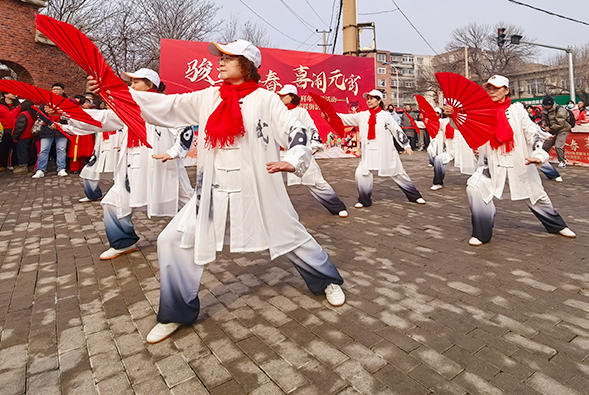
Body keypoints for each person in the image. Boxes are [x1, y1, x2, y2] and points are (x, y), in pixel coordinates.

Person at [97, 40, 345, 344]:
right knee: (173, 240)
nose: (219, 61)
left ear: (247, 64)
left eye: (228, 57)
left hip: (257, 185)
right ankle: (176, 311)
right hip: (213, 189)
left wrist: (292, 160)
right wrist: (118, 93)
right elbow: (168, 106)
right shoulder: (209, 96)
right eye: (220, 57)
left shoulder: (267, 100)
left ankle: (328, 281)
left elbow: (296, 132)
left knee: (290, 235)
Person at [67, 69, 195, 261]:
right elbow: (102, 119)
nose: (131, 86)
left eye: (135, 82)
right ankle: (123, 242)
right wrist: (67, 114)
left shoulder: (165, 105)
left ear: (150, 85)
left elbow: (185, 129)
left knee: (188, 203)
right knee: (112, 204)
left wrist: (173, 152)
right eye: (130, 82)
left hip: (161, 164)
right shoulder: (128, 108)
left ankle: (202, 234)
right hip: (132, 166)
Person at [458, 75, 575, 245]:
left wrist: (539, 155)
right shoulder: (481, 111)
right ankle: (482, 232)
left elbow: (532, 134)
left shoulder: (517, 110)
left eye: (496, 88)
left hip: (519, 162)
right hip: (492, 164)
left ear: (506, 90)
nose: (492, 91)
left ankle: (556, 225)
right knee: (474, 188)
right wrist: (453, 115)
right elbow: (465, 124)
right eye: (489, 88)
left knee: (537, 196)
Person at [337, 89, 425, 208]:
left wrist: (406, 145)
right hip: (368, 150)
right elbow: (345, 118)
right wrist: (329, 115)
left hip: (385, 150)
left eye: (372, 98)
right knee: (361, 174)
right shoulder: (362, 115)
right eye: (367, 98)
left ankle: (415, 196)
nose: (369, 101)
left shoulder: (386, 115)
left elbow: (396, 129)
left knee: (398, 173)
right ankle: (364, 200)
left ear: (379, 101)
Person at [276, 84, 349, 217]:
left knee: (316, 181)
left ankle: (337, 207)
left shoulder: (301, 112)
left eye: (283, 95)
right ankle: (273, 212)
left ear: (292, 97)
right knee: (272, 182)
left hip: (298, 151)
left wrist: (314, 146)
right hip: (280, 153)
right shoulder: (276, 112)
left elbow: (311, 128)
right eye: (279, 95)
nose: (280, 97)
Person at [428, 106, 476, 190]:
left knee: (477, 166)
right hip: (450, 151)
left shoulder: (467, 121)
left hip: (465, 151)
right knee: (438, 159)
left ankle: (478, 182)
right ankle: (438, 182)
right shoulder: (444, 122)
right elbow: (433, 122)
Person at [33, 82, 70, 179]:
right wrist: (50, 123)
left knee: (61, 149)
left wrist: (59, 123)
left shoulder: (67, 101)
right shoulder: (45, 100)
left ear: (63, 91)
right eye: (54, 89)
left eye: (58, 89)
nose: (56, 91)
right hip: (47, 128)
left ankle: (61, 168)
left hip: (61, 128)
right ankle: (40, 169)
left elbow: (69, 114)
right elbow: (41, 113)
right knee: (44, 149)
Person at [541, 95, 571, 168]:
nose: (545, 107)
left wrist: (550, 128)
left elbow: (561, 124)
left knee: (558, 146)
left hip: (562, 130)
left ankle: (562, 162)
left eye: (546, 106)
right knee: (546, 145)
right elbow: (544, 118)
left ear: (550, 105)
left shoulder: (560, 110)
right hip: (552, 130)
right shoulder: (545, 110)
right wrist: (543, 123)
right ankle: (543, 159)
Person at [0, 92, 20, 170]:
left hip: (16, 130)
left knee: (16, 148)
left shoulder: (19, 106)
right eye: (11, 93)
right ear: (5, 95)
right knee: (3, 148)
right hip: (4, 130)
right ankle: (3, 165)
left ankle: (15, 164)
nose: (14, 94)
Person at [11, 100, 38, 174]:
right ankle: (27, 164)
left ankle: (22, 166)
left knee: (22, 152)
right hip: (30, 135)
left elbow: (19, 127)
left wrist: (15, 136)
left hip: (23, 136)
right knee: (28, 151)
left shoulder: (23, 114)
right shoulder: (33, 114)